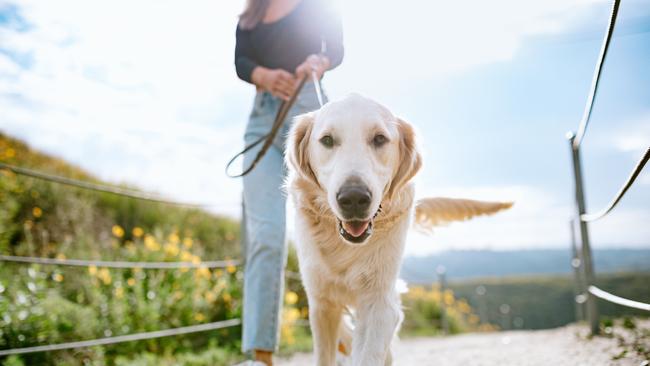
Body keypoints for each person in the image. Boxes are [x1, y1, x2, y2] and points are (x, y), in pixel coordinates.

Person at [234, 0, 343, 364]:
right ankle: (260, 355)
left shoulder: (318, 6)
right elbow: (241, 63)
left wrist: (319, 63)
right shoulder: (250, 15)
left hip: (311, 110)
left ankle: (342, 340)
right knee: (265, 235)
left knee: (331, 227)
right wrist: (263, 75)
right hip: (262, 117)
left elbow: (336, 49)